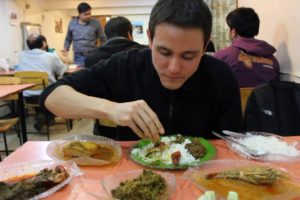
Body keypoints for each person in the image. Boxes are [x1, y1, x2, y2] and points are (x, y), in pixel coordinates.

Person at [40, 0, 242, 141]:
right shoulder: (125, 65)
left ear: (205, 47)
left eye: (188, 56)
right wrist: (111, 109)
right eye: (163, 52)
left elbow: (232, 144)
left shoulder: (221, 76)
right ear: (150, 39)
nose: (173, 68)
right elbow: (51, 97)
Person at [214, 7, 280, 88]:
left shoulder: (222, 56)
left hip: (235, 100)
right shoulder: (274, 61)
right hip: (265, 100)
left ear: (233, 32)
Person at [16, 34, 67, 131]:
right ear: (43, 43)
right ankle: (46, 116)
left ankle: (43, 116)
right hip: (46, 96)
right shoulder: (50, 56)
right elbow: (62, 71)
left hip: (27, 96)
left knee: (41, 96)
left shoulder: (21, 55)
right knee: (57, 90)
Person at [62, 2, 106, 67]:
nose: (89, 16)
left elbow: (103, 38)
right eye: (86, 14)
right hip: (78, 57)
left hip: (92, 55)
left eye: (89, 13)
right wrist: (66, 48)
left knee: (93, 75)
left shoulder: (96, 23)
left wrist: (100, 51)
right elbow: (68, 39)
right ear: (79, 14)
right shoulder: (72, 23)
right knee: (80, 75)